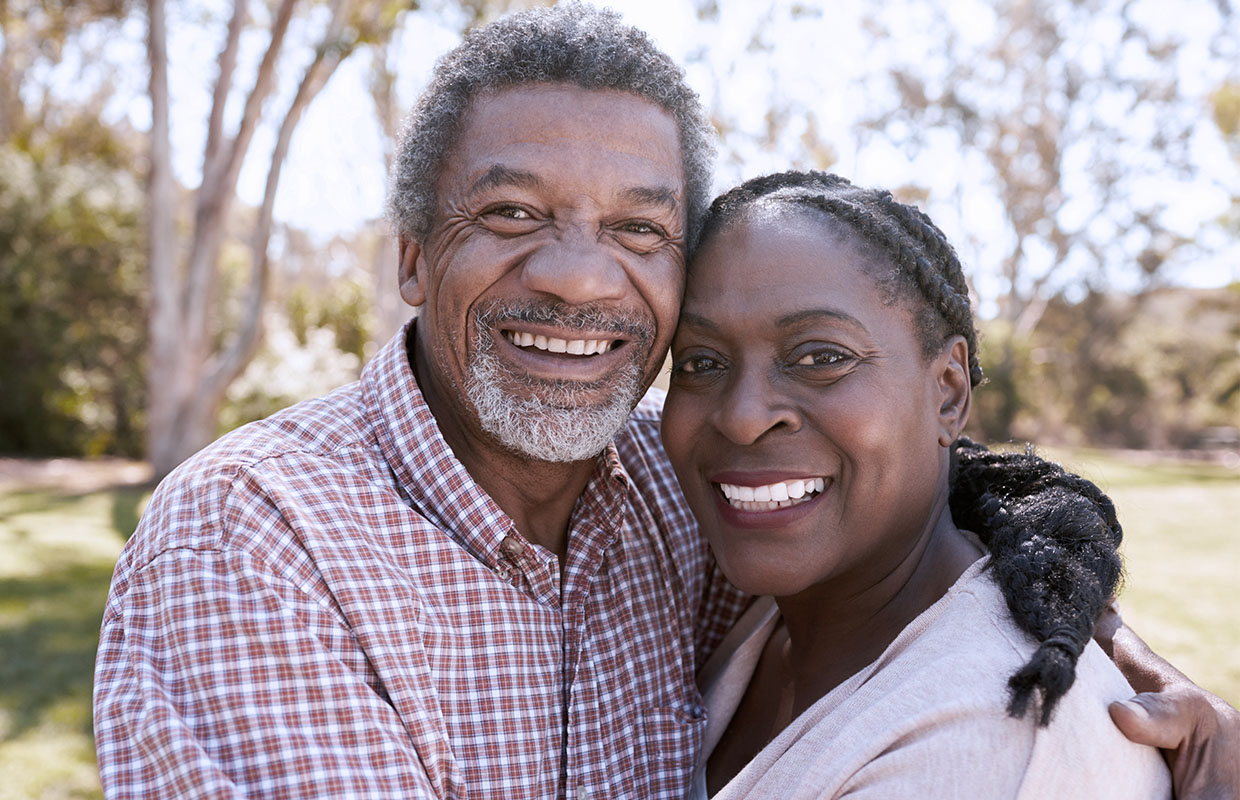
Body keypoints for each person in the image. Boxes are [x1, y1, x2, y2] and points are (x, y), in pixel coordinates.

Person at [92, 4, 1238, 799]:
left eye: (639, 229)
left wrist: (1083, 626)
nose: (580, 277)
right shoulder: (253, 535)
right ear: (409, 259)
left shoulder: (668, 491)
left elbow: (898, 514)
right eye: (510, 214)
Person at [657, 170, 1180, 797]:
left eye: (821, 357)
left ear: (948, 392)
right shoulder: (777, 614)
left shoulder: (989, 741)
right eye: (700, 363)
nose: (742, 418)